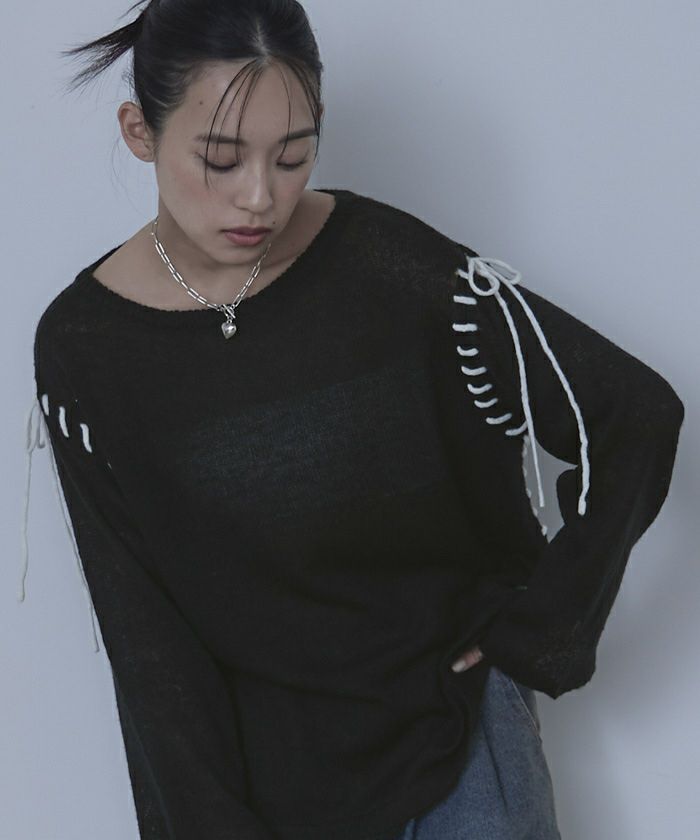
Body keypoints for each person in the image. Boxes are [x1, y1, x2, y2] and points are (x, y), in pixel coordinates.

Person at [20, 2, 685, 839]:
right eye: (220, 158)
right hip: (275, 786)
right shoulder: (87, 350)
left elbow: (636, 414)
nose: (260, 196)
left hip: (462, 757)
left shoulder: (386, 264)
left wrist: (545, 627)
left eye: (293, 155)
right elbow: (148, 644)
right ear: (139, 131)